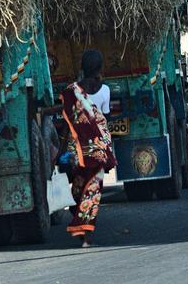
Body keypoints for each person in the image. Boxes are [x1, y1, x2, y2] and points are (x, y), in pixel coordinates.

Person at [58, 49, 117, 247]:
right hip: (97, 150)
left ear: (81, 67)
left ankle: (79, 223)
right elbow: (104, 121)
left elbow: (67, 125)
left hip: (76, 150)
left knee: (78, 189)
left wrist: (60, 151)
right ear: (100, 68)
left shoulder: (70, 91)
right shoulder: (106, 91)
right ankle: (86, 235)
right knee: (92, 191)